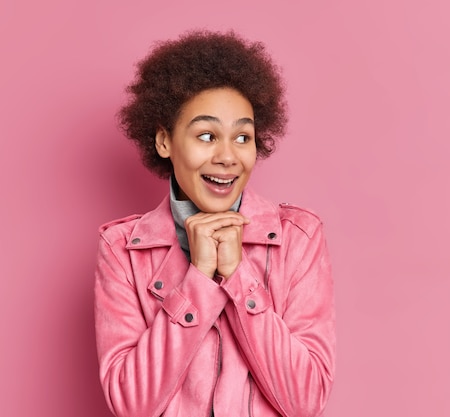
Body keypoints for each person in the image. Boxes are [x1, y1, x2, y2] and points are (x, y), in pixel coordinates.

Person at [94, 30, 335, 417]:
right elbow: (132, 404)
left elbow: (305, 401)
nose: (228, 156)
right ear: (164, 141)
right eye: (207, 136)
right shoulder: (122, 248)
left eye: (243, 136)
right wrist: (199, 279)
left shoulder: (299, 237)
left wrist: (237, 276)